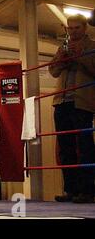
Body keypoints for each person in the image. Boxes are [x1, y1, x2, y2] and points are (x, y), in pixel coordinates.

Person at [49, 14, 95, 204]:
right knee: (65, 147)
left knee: (85, 147)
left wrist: (80, 56)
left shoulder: (92, 46)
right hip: (61, 101)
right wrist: (61, 58)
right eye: (70, 28)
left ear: (85, 28)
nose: (73, 31)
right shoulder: (63, 47)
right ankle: (70, 190)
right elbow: (53, 71)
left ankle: (88, 191)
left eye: (77, 28)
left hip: (82, 102)